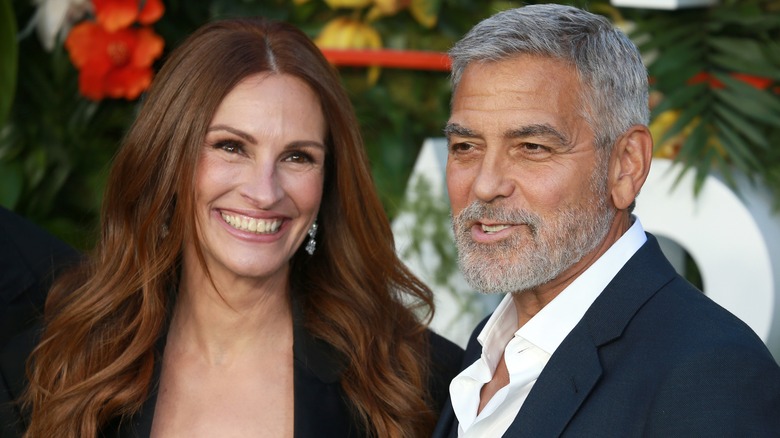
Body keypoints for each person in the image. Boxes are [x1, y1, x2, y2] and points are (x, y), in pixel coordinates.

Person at [0, 18, 462, 437]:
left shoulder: (415, 380)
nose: (264, 192)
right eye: (231, 147)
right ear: (168, 160)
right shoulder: (62, 355)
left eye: (298, 157)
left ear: (329, 183)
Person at [432, 4, 780, 438]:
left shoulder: (710, 372)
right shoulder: (490, 344)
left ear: (626, 166)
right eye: (465, 145)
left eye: (533, 147)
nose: (485, 185)